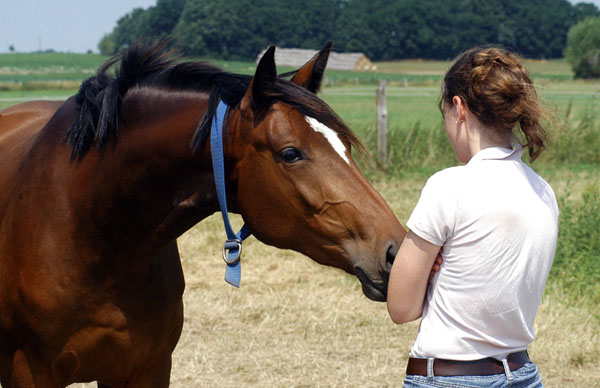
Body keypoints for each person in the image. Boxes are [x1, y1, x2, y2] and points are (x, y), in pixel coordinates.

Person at [386, 46, 559, 388]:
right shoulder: (544, 193)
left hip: (449, 379)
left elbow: (401, 308)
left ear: (458, 108)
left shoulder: (448, 186)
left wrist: (433, 274)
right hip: (523, 374)